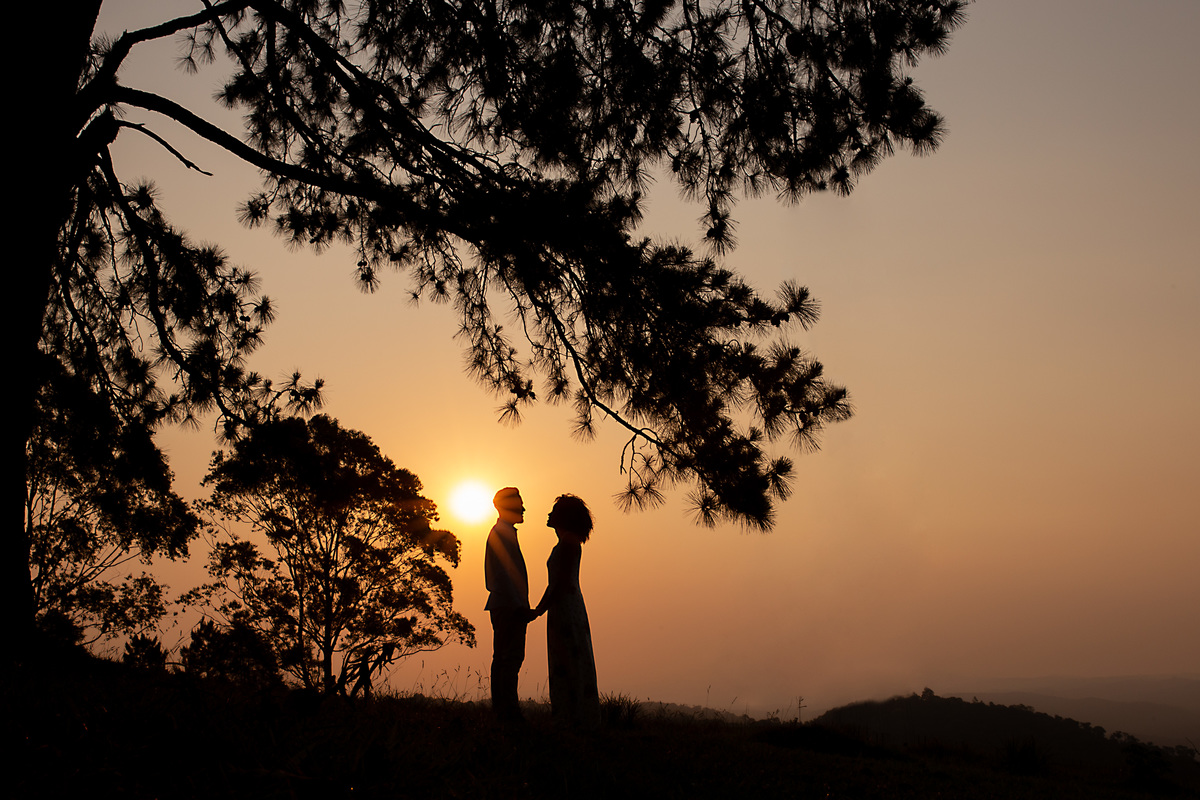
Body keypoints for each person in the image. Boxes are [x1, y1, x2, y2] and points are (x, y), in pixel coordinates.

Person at [534, 494, 601, 729]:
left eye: (554, 511)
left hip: (565, 608)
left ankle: (573, 715)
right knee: (569, 657)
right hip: (564, 606)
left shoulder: (568, 543)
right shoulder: (567, 543)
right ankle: (572, 714)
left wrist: (539, 610)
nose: (549, 515)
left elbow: (560, 583)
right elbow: (555, 583)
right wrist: (540, 609)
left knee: (568, 658)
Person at [484, 487, 536, 723]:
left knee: (508, 658)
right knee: (508, 658)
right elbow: (502, 576)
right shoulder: (502, 534)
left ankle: (505, 710)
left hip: (508, 605)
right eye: (518, 504)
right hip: (508, 606)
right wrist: (518, 606)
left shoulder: (505, 533)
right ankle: (506, 712)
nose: (523, 508)